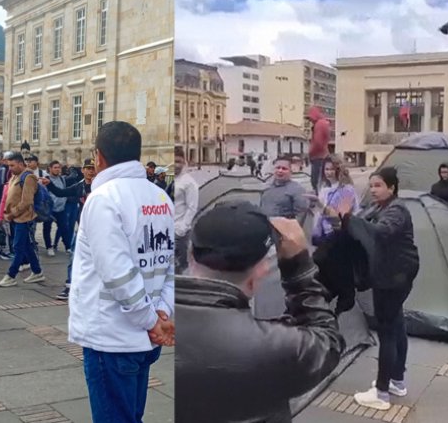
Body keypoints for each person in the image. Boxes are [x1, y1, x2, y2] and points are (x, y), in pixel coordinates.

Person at [176, 203, 343, 423]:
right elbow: (327, 343)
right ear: (261, 272)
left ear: (190, 255)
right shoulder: (275, 348)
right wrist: (299, 269)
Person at [68, 121, 174, 422]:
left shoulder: (104, 199)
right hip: (146, 334)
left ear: (99, 157)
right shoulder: (160, 198)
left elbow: (117, 275)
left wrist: (152, 320)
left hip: (112, 337)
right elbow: (168, 264)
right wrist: (162, 314)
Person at [328, 167, 419, 411]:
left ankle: (381, 393)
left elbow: (380, 232)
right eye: (371, 185)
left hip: (393, 277)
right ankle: (397, 381)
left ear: (392, 187)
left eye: (378, 185)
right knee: (397, 324)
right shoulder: (379, 207)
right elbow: (361, 226)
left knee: (387, 331)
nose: (373, 190)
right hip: (392, 273)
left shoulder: (397, 210)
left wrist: (348, 217)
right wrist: (341, 217)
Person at [42, 159, 96, 300]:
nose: (91, 171)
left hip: (99, 230)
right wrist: (50, 185)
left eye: (93, 168)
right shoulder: (79, 186)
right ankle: (70, 286)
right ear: (83, 170)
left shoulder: (102, 186)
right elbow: (61, 192)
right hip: (84, 229)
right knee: (74, 256)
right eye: (88, 168)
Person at [0, 152, 46, 287]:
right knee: (26, 246)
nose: (10, 168)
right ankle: (37, 271)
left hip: (24, 218)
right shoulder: (15, 176)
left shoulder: (28, 177)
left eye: (12, 165)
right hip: (15, 218)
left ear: (20, 163)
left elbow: (26, 201)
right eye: (8, 165)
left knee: (18, 247)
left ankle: (11, 275)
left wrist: (12, 214)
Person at [309, 155, 359, 245]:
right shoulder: (324, 189)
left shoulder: (347, 190)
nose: (328, 172)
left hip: (337, 235)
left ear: (339, 170)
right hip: (322, 234)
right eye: (326, 169)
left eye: (332, 169)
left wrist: (320, 205)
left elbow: (340, 217)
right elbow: (318, 214)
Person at [261, 156, 310, 220]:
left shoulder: (297, 189)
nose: (280, 171)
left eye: (284, 169)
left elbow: (301, 215)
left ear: (290, 171)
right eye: (278, 168)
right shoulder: (267, 187)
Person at [174, 147, 198, 275]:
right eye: (173, 161)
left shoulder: (189, 182)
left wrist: (181, 229)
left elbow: (192, 207)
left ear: (184, 161)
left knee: (181, 268)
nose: (176, 164)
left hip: (179, 234)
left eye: (179, 161)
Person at [43, 160, 71, 256]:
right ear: (50, 168)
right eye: (55, 167)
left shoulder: (62, 179)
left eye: (58, 167)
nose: (57, 169)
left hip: (61, 208)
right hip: (50, 209)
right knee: (47, 228)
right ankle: (49, 247)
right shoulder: (46, 179)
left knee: (64, 227)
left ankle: (68, 247)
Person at [308, 106, 331, 193]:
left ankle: (320, 199)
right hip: (322, 155)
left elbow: (318, 142)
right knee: (323, 180)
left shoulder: (319, 124)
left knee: (316, 181)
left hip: (318, 157)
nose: (310, 121)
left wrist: (310, 152)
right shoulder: (324, 123)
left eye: (310, 117)